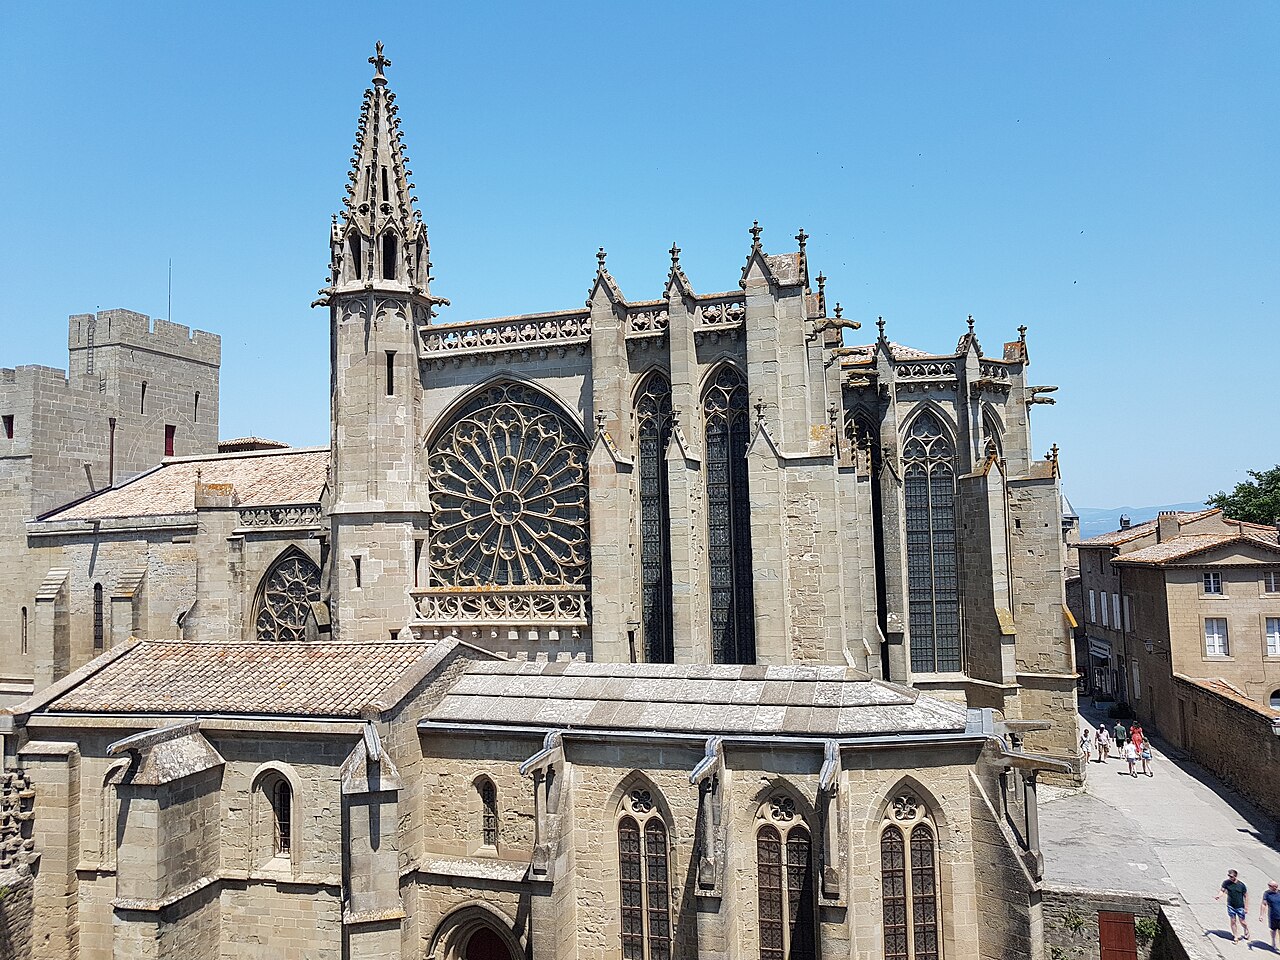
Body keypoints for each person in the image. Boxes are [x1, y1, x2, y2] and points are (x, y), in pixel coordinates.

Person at [1215, 869, 1249, 942]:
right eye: (1229, 876)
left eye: (1231, 876)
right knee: (1233, 921)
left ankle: (1246, 929)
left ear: (1235, 876)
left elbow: (1246, 896)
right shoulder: (1226, 883)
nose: (1230, 878)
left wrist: (1246, 907)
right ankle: (1235, 936)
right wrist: (1218, 896)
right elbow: (1222, 890)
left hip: (1240, 906)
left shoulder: (1241, 885)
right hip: (1231, 905)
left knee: (1242, 921)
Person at [1260, 879, 1280, 953]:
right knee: (1273, 930)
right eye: (1269, 886)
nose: (1268, 887)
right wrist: (1261, 915)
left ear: (1275, 887)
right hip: (1273, 916)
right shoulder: (1267, 894)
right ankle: (1273, 942)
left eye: (1270, 886)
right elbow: (1264, 904)